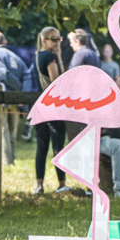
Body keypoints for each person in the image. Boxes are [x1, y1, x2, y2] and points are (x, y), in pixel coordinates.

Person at [32, 27, 72, 195]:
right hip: (53, 108)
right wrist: (59, 59)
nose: (56, 42)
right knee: (58, 146)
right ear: (44, 40)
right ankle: (61, 184)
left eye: (59, 39)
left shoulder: (36, 57)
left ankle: (39, 186)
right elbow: (57, 82)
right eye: (53, 39)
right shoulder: (49, 57)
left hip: (38, 107)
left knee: (41, 147)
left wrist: (60, 57)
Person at [0, 31, 26, 166]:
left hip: (0, 98)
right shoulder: (17, 57)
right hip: (15, 100)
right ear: (5, 42)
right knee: (12, 132)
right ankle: (12, 159)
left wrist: (16, 86)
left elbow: (0, 73)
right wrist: (19, 91)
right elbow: (26, 76)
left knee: (3, 131)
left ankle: (7, 162)